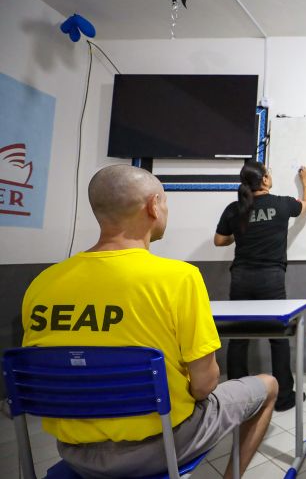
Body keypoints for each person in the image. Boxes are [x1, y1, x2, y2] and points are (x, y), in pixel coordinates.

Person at [21, 165, 278, 479]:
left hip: (76, 453)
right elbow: (204, 386)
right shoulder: (179, 278)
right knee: (268, 385)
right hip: (160, 447)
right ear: (153, 206)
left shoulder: (42, 284)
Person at [214, 160, 306, 411]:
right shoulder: (281, 204)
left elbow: (219, 240)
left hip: (241, 278)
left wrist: (243, 232)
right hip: (271, 278)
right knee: (278, 338)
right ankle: (283, 397)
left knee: (239, 338)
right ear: (265, 180)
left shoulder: (235, 209)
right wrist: (305, 181)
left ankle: (237, 399)